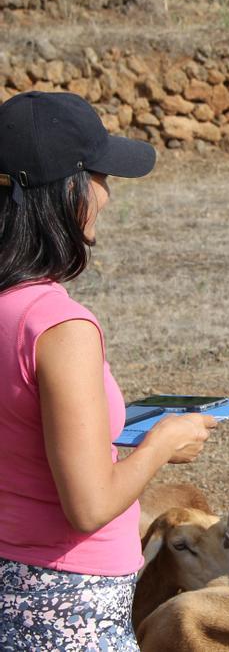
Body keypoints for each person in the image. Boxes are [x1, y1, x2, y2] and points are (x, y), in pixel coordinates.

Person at [0, 92, 216, 651]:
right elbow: (89, 505)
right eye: (100, 176)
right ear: (66, 191)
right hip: (65, 601)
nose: (108, 196)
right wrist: (162, 442)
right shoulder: (58, 326)